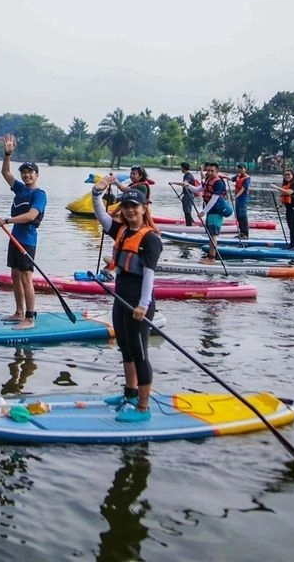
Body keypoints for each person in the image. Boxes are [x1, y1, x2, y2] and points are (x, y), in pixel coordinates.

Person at [91, 179, 162, 423]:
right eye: (126, 206)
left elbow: (150, 276)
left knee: (140, 353)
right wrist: (96, 192)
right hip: (120, 297)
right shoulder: (122, 230)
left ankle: (143, 408)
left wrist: (143, 305)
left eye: (134, 206)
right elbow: (101, 216)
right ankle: (130, 395)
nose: (130, 210)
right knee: (125, 348)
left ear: (143, 208)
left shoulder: (150, 239)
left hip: (138, 303)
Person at [0, 135, 46, 330]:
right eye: (24, 172)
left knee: (26, 277)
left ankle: (30, 317)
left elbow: (31, 216)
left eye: (30, 172)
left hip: (27, 241)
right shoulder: (20, 190)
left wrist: (7, 220)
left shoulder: (39, 194)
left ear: (36, 174)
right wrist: (7, 154)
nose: (26, 175)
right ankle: (18, 312)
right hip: (14, 238)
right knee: (15, 275)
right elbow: (5, 172)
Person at [189, 161, 232, 264]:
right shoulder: (208, 180)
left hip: (216, 211)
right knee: (210, 234)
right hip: (211, 210)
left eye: (212, 171)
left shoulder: (219, 183)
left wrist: (203, 212)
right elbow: (197, 189)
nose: (209, 173)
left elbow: (213, 199)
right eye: (207, 170)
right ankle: (210, 256)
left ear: (217, 171)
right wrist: (187, 186)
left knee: (213, 234)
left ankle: (212, 258)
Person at [271, 170, 294, 249]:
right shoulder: (286, 184)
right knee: (290, 227)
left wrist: (276, 187)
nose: (287, 176)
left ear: (292, 175)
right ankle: (292, 244)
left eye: (288, 175)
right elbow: (284, 196)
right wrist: (280, 205)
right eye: (285, 175)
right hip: (289, 208)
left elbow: (289, 193)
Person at [231, 164, 251, 240]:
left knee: (243, 215)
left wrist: (235, 197)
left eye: (241, 168)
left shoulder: (247, 178)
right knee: (238, 215)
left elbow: (243, 189)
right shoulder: (238, 176)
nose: (240, 170)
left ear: (245, 169)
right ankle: (241, 233)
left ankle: (245, 233)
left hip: (243, 198)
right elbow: (230, 179)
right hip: (238, 199)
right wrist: (220, 175)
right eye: (239, 168)